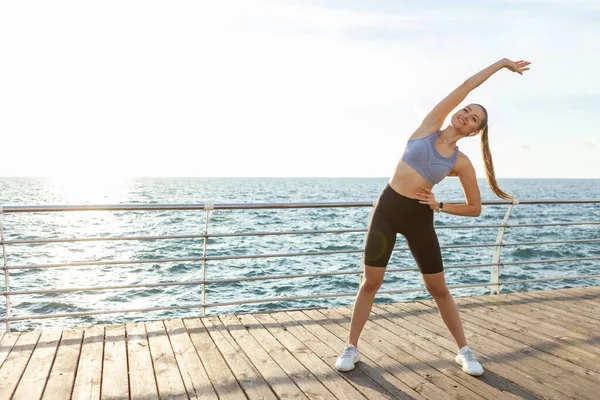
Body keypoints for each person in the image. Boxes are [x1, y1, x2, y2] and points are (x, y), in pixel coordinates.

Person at [335, 58, 531, 376]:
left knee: (438, 288)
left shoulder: (461, 162)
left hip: (419, 217)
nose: (465, 115)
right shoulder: (429, 127)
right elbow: (467, 85)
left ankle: (464, 352)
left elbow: (475, 208)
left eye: (473, 119)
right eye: (467, 110)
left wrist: (439, 206)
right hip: (386, 210)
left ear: (473, 131)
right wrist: (501, 65)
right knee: (371, 282)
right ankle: (351, 347)